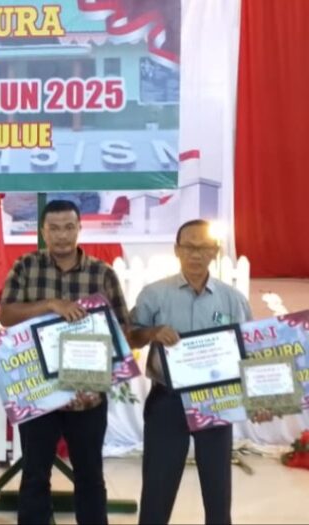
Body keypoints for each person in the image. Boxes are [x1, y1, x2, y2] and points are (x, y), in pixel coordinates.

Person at [0, 199, 131, 525]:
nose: (61, 235)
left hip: (87, 395)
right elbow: (5, 315)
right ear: (43, 231)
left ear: (79, 228)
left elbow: (122, 331)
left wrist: (100, 378)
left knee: (89, 476)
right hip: (39, 392)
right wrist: (50, 305)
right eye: (54, 228)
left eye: (68, 227)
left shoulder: (102, 274)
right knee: (34, 475)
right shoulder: (26, 267)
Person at [129, 219, 268, 525]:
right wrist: (152, 332)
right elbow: (130, 335)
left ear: (215, 251)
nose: (196, 254)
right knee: (157, 487)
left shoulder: (233, 299)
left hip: (216, 400)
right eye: (189, 246)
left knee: (218, 489)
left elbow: (249, 351)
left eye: (203, 247)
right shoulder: (154, 293)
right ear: (177, 250)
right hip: (167, 400)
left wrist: (259, 398)